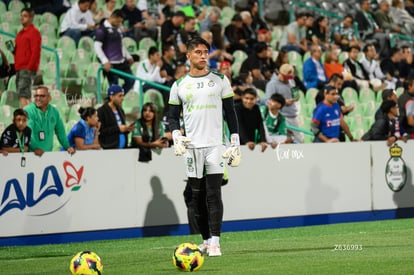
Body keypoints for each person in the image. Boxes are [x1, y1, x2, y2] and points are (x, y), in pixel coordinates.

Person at [168, 37, 240, 257]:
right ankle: (206, 240)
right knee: (195, 197)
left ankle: (216, 242)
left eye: (205, 52)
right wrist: (175, 135)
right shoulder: (179, 84)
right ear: (188, 55)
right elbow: (172, 116)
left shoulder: (220, 80)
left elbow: (230, 111)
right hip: (192, 148)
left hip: (215, 145)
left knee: (213, 193)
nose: (202, 56)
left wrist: (235, 140)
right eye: (198, 52)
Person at [24, 86, 75, 156]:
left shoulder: (54, 112)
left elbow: (60, 132)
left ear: (49, 98)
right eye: (36, 96)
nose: (38, 98)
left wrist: (67, 147)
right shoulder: (28, 111)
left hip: (47, 155)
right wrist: (35, 148)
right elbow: (28, 132)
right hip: (30, 155)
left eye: (42, 96)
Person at [94, 9, 135, 95]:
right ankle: (114, 100)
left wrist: (128, 56)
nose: (119, 24)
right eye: (118, 21)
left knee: (131, 80)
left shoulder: (118, 30)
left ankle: (118, 97)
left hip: (121, 62)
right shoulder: (102, 30)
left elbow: (120, 45)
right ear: (113, 17)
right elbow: (97, 46)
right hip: (111, 64)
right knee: (114, 86)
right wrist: (105, 61)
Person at [265, 64, 304, 143]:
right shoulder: (272, 84)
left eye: (289, 78)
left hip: (292, 114)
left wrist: (296, 97)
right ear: (280, 74)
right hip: (281, 116)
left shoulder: (291, 81)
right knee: (283, 141)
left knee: (299, 140)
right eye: (286, 77)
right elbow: (268, 101)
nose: (288, 80)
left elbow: (294, 94)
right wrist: (284, 102)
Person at [14, 7, 41, 108]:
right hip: (19, 67)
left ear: (31, 18)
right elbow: (18, 51)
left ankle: (25, 116)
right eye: (21, 16)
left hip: (26, 68)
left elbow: (35, 52)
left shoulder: (34, 33)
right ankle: (28, 116)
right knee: (24, 93)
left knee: (23, 93)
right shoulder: (20, 34)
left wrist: (29, 67)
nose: (22, 18)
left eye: (25, 16)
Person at [97, 84, 134, 149]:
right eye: (120, 96)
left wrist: (127, 129)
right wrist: (118, 129)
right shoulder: (101, 111)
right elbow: (100, 132)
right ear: (111, 97)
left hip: (123, 149)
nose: (123, 98)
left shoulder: (120, 110)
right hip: (109, 149)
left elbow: (121, 129)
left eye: (123, 96)